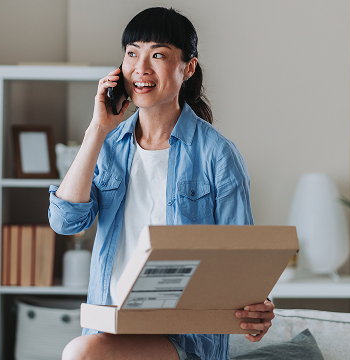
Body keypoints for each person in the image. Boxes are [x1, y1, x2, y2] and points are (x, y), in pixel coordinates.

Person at [48, 7, 275, 360]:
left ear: (188, 68)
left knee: (81, 354)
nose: (141, 67)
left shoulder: (218, 154)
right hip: (111, 329)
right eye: (132, 53)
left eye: (158, 55)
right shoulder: (107, 145)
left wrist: (257, 310)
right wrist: (97, 129)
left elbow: (239, 262)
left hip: (185, 340)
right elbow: (65, 221)